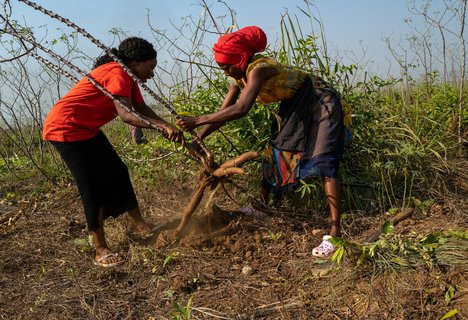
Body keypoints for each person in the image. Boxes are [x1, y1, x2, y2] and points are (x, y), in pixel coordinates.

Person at [176, 26, 345, 258]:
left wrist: (196, 120)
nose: (226, 72)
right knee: (275, 152)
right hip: (293, 104)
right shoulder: (239, 76)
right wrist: (200, 136)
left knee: (324, 159)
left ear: (241, 58)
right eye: (222, 68)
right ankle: (262, 208)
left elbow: (241, 109)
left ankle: (335, 231)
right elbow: (225, 112)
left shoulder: (259, 69)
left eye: (228, 66)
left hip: (319, 100)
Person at [43, 37, 184, 267]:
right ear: (137, 63)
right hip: (65, 128)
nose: (152, 74)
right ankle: (100, 248)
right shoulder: (117, 73)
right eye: (151, 67)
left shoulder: (129, 78)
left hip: (86, 128)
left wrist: (168, 127)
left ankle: (141, 226)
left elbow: (141, 108)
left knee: (118, 171)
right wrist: (162, 127)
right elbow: (127, 115)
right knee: (91, 186)